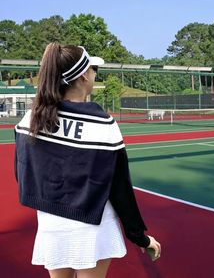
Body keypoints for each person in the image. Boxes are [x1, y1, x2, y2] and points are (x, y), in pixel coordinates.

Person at [14, 43, 161, 278]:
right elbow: (120, 189)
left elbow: (22, 170)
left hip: (51, 225)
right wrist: (139, 237)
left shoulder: (32, 118)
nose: (94, 74)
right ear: (83, 75)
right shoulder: (103, 124)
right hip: (93, 227)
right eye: (94, 69)